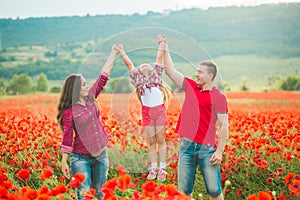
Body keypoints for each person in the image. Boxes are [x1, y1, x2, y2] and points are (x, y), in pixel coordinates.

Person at [162, 35, 228, 200]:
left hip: (207, 148)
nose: (196, 74)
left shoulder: (218, 97)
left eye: (200, 72)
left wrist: (219, 151)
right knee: (184, 191)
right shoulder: (191, 86)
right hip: (187, 146)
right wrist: (164, 47)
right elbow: (169, 70)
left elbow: (224, 125)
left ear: (210, 76)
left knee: (214, 190)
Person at [57, 44, 118, 200]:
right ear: (76, 89)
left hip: (101, 155)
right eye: (83, 84)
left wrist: (113, 53)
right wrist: (64, 161)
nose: (87, 86)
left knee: (100, 193)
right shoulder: (69, 112)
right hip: (80, 158)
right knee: (83, 196)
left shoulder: (91, 97)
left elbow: (103, 77)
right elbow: (67, 137)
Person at [114, 37, 169, 181]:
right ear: (138, 71)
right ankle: (153, 169)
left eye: (147, 65)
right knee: (151, 141)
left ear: (151, 69)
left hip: (159, 111)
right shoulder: (138, 81)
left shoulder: (157, 76)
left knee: (161, 140)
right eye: (142, 65)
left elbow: (159, 58)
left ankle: (163, 168)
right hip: (147, 112)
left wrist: (162, 44)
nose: (145, 66)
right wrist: (121, 51)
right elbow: (129, 64)